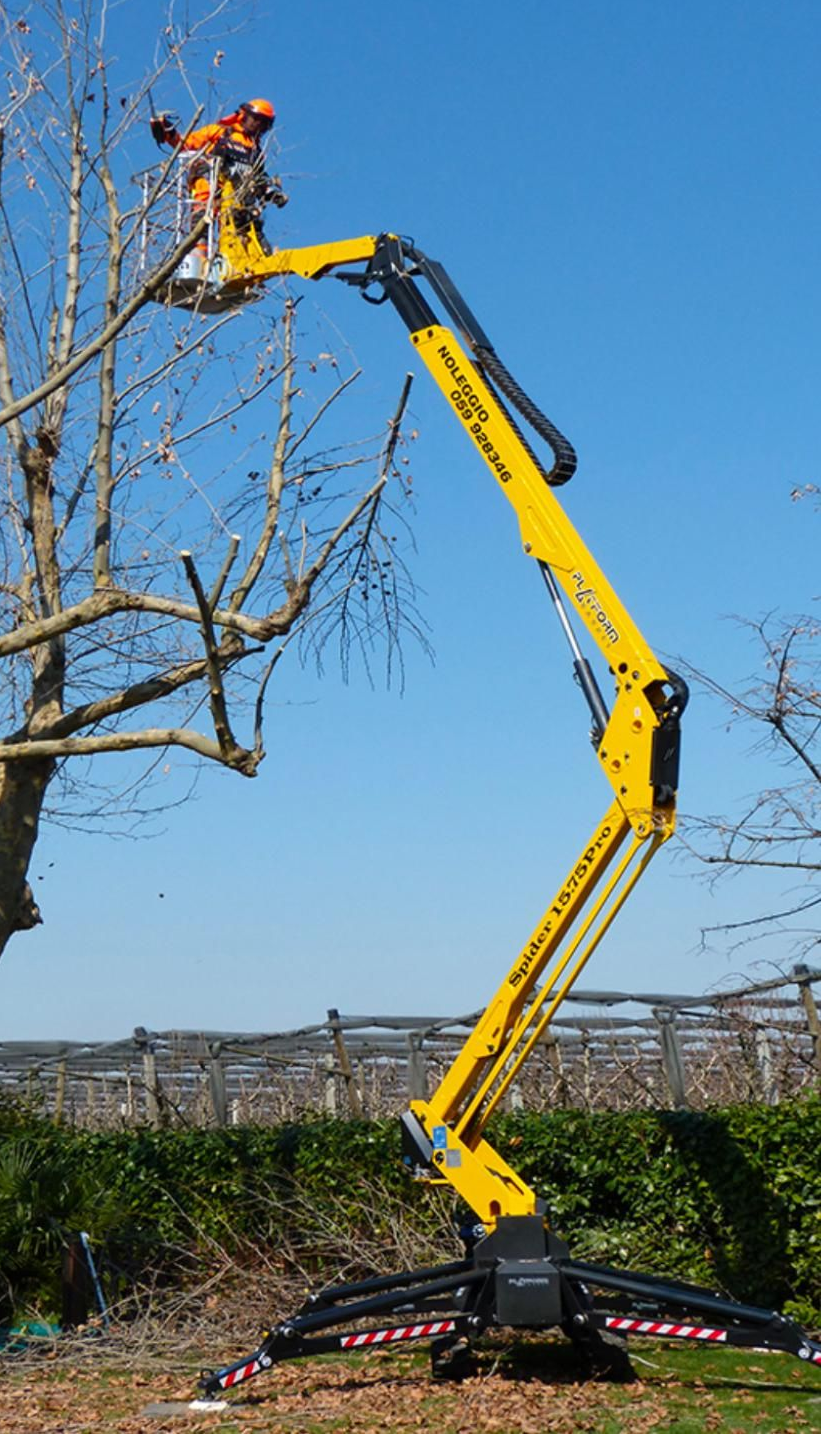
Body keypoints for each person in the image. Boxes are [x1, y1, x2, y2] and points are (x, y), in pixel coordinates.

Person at [150, 99, 288, 257]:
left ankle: (249, 257)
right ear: (244, 115)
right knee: (204, 208)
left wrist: (272, 193)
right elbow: (186, 143)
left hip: (235, 195)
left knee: (247, 221)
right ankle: (198, 251)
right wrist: (167, 131)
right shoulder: (221, 132)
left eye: (263, 123)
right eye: (256, 119)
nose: (258, 125)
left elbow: (259, 178)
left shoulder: (256, 152)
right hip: (210, 182)